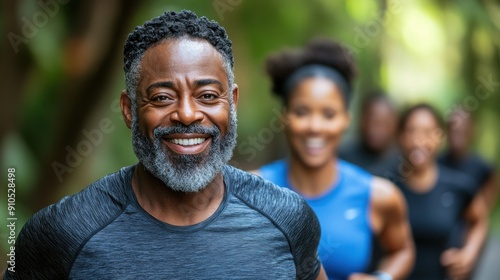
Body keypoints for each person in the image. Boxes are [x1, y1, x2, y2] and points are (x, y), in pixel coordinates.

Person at [3, 10, 327, 279]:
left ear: (232, 102)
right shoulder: (63, 234)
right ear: (129, 110)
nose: (187, 114)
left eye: (208, 96)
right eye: (162, 97)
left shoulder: (288, 220)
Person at [253, 38, 414, 280]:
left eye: (329, 114)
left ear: (345, 120)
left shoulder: (379, 196)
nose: (315, 127)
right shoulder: (251, 192)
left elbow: (402, 250)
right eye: (302, 112)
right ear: (284, 117)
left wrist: (383, 277)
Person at [392, 103, 488, 280]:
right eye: (411, 131)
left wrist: (469, 253)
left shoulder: (458, 185)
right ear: (400, 136)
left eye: (428, 132)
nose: (419, 140)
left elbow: (479, 220)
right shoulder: (387, 188)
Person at [439, 107, 497, 212]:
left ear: (471, 132)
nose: (457, 137)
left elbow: (489, 195)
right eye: (454, 130)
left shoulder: (483, 168)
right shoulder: (436, 163)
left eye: (462, 131)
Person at [339, 92, 400, 177]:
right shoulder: (342, 157)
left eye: (385, 124)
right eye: (373, 122)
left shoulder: (400, 162)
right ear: (362, 121)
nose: (378, 130)